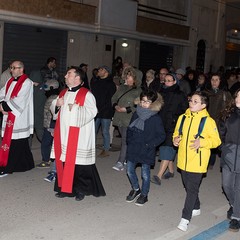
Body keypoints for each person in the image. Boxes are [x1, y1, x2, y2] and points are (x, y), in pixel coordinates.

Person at [51, 67, 106, 201]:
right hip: (64, 134)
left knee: (80, 165)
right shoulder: (63, 92)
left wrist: (74, 108)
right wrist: (57, 105)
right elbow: (55, 112)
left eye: (68, 74)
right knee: (64, 161)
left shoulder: (86, 94)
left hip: (79, 136)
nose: (65, 76)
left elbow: (92, 112)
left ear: (77, 78)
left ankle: (81, 189)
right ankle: (65, 189)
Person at [173, 91, 221, 231]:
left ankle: (185, 218)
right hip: (183, 160)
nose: (191, 103)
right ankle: (197, 206)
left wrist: (203, 142)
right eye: (190, 100)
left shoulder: (208, 121)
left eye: (195, 101)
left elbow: (216, 141)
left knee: (191, 190)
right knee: (188, 187)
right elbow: (177, 133)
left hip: (198, 162)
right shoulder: (183, 118)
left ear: (203, 105)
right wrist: (175, 139)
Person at [126, 90, 165, 206]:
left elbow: (161, 135)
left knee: (145, 174)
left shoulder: (155, 118)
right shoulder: (136, 113)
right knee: (129, 170)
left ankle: (144, 194)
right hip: (134, 146)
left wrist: (150, 145)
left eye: (147, 102)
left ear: (152, 103)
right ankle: (136, 189)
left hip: (146, 149)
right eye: (143, 101)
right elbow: (130, 128)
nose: (144, 104)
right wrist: (129, 140)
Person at [151, 73, 188, 185]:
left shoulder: (180, 94)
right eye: (165, 80)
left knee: (167, 148)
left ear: (174, 81)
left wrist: (176, 120)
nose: (166, 82)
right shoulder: (161, 93)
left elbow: (185, 110)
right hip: (161, 124)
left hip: (174, 126)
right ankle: (171, 171)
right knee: (164, 147)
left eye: (169, 80)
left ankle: (158, 176)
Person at [0, 60, 34, 177]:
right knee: (20, 143)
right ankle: (27, 164)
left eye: (13, 68)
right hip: (8, 114)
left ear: (21, 69)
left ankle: (8, 167)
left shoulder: (27, 82)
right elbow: (2, 93)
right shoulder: (10, 81)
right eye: (11, 67)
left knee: (15, 143)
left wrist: (4, 106)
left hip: (19, 117)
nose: (11, 70)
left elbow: (21, 99)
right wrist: (1, 104)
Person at [111, 66, 142, 171]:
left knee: (124, 141)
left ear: (135, 79)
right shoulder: (122, 88)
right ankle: (125, 159)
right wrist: (115, 106)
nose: (127, 79)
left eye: (129, 77)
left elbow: (140, 105)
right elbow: (114, 98)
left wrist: (127, 109)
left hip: (130, 118)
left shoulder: (139, 90)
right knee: (126, 140)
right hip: (119, 117)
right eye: (126, 77)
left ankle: (120, 161)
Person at [218, 88, 240, 232]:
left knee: (239, 188)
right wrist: (223, 148)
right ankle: (234, 205)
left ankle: (236, 217)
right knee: (226, 185)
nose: (238, 98)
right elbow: (220, 133)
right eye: (238, 95)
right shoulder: (228, 113)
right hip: (229, 154)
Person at [204, 73, 232, 169]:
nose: (214, 82)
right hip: (207, 122)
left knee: (218, 143)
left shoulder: (225, 94)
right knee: (206, 142)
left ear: (221, 81)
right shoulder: (205, 93)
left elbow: (230, 108)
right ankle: (207, 161)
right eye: (212, 79)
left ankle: (217, 163)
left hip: (220, 123)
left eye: (217, 80)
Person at [91, 65, 116, 158]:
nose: (99, 71)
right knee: (93, 131)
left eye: (101, 69)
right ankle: (91, 148)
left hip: (106, 111)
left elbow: (111, 99)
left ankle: (106, 149)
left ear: (106, 72)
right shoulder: (96, 82)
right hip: (95, 111)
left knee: (105, 131)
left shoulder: (110, 84)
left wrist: (102, 108)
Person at [37, 79, 59, 169]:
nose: (45, 89)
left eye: (46, 87)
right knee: (51, 143)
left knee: (45, 143)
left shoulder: (52, 98)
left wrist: (49, 126)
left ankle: (46, 161)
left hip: (50, 124)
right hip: (51, 124)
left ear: (51, 88)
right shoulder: (56, 96)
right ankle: (51, 159)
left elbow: (51, 113)